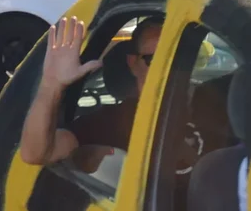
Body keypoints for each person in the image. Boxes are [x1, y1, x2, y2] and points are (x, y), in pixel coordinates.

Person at [19, 12, 161, 171]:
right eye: (154, 59)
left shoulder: (195, 103)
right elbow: (36, 154)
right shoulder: (113, 122)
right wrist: (50, 85)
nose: (167, 68)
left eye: (179, 58)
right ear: (133, 63)